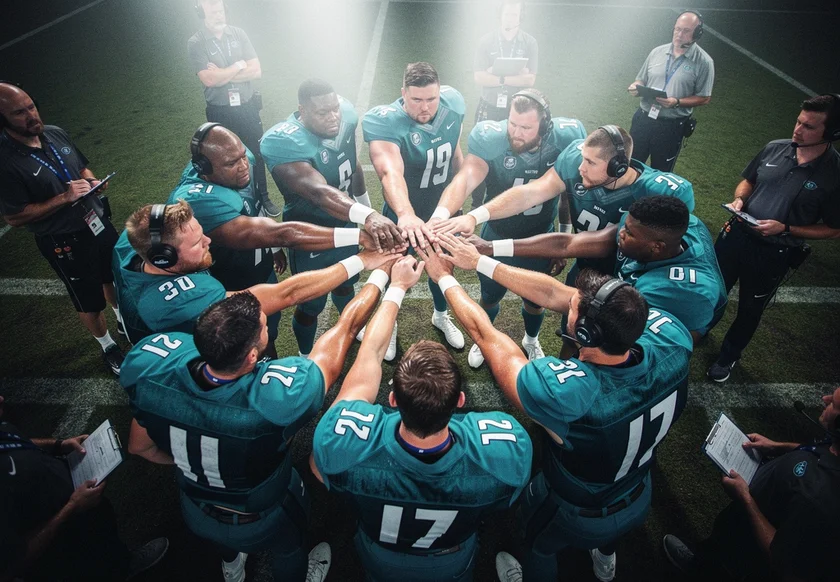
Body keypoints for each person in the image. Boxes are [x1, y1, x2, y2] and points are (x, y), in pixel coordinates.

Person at [417, 242, 693, 582]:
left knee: (538, 547)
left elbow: (487, 336)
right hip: (639, 492)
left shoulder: (569, 394)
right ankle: (605, 557)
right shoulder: (671, 341)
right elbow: (554, 293)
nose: (567, 304)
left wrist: (445, 279)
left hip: (578, 509)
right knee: (607, 533)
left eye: (574, 308)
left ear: (587, 332)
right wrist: (480, 262)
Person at [120, 267, 390, 582]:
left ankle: (232, 567)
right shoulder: (277, 399)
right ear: (251, 357)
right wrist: (381, 278)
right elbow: (343, 331)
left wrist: (188, 458)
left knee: (225, 542)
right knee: (290, 550)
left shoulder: (152, 368)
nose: (265, 324)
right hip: (262, 515)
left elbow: (139, 447)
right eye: (263, 326)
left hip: (195, 508)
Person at [311, 256, 532, 582]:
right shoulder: (505, 449)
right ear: (460, 402)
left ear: (392, 400)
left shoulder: (343, 440)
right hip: (451, 560)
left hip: (380, 555)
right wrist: (445, 278)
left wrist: (396, 287)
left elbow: (370, 352)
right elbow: (488, 337)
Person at [168, 122, 379, 355]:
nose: (243, 165)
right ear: (204, 167)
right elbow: (281, 233)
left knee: (269, 330)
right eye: (231, 163)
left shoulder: (241, 159)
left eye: (241, 156)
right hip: (231, 283)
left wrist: (273, 249)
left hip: (261, 268)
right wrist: (358, 235)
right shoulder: (200, 201)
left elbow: (257, 208)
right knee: (247, 345)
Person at [432, 89, 585, 367]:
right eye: (512, 124)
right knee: (489, 296)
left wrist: (564, 233)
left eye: (526, 127)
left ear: (546, 124)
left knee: (534, 300)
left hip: (540, 238)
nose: (516, 133)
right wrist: (441, 214)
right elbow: (466, 177)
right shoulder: (491, 137)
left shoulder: (566, 136)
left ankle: (530, 340)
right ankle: (484, 340)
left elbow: (567, 193)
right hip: (497, 234)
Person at [113, 199, 388, 346]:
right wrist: (363, 260)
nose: (209, 242)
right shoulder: (178, 301)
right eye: (197, 244)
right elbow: (286, 294)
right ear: (164, 258)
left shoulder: (132, 243)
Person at [262, 79, 405, 358]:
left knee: (346, 282)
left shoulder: (346, 116)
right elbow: (319, 193)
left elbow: (353, 171)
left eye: (334, 109)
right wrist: (370, 216)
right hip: (310, 233)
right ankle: (305, 355)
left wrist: (366, 213)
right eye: (322, 113)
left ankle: (352, 327)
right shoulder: (284, 141)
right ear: (301, 111)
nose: (333, 117)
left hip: (347, 223)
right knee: (310, 304)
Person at [462, 195, 727, 341]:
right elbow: (568, 244)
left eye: (630, 234)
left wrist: (479, 262)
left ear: (657, 247)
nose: (621, 232)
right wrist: (489, 248)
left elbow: (675, 346)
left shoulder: (684, 292)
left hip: (679, 319)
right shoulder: (664, 226)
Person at [708, 94, 840, 382]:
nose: (797, 129)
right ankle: (698, 331)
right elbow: (749, 180)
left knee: (750, 309)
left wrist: (787, 229)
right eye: (798, 121)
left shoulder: (835, 174)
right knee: (712, 291)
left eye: (808, 127)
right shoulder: (774, 148)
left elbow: (834, 228)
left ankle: (728, 356)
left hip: (773, 253)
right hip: (735, 237)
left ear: (831, 134)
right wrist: (740, 200)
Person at [0, 81, 125, 375]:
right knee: (88, 299)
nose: (31, 116)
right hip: (64, 239)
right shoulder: (5, 163)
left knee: (114, 274)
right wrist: (64, 198)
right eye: (19, 113)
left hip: (97, 221)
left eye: (31, 106)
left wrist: (94, 182)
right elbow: (15, 217)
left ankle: (122, 317)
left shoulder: (54, 133)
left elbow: (81, 168)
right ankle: (107, 345)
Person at [663, 388, 840, 582]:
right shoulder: (835, 444)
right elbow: (817, 451)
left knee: (721, 568)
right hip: (746, 520)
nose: (825, 399)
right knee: (714, 549)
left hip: (746, 557)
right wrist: (777, 447)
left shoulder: (819, 498)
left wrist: (746, 500)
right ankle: (700, 563)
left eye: (833, 403)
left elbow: (782, 561)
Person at [0, 395, 168, 581]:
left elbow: (14, 440)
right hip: (62, 551)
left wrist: (58, 445)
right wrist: (71, 507)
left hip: (79, 510)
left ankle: (124, 565)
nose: (1, 398)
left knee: (104, 545)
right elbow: (10, 564)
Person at [363, 61, 467, 351]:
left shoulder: (454, 104)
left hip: (442, 212)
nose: (425, 107)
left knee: (443, 268)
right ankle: (391, 325)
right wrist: (406, 214)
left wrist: (459, 195)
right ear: (403, 94)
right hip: (402, 215)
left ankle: (441, 315)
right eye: (417, 100)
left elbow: (456, 150)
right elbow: (389, 172)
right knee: (394, 268)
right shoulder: (385, 121)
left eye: (431, 99)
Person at [187, 0, 278, 216]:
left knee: (255, 153)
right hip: (220, 111)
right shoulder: (196, 42)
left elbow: (256, 70)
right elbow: (208, 79)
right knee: (224, 158)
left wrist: (223, 74)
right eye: (213, 11)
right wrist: (238, 66)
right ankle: (235, 199)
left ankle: (262, 197)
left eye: (221, 10)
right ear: (201, 13)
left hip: (247, 107)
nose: (220, 15)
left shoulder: (238, 34)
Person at [471, 0, 538, 207]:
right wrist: (511, 79)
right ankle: (476, 202)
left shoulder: (529, 42)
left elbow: (530, 79)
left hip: (515, 111)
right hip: (489, 107)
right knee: (482, 155)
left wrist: (497, 76)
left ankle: (506, 201)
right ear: (499, 15)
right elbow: (479, 77)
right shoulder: (486, 41)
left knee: (516, 154)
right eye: (506, 13)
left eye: (514, 14)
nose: (510, 18)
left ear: (521, 16)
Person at [627, 10, 714, 172]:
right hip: (643, 119)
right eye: (677, 29)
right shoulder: (657, 52)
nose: (679, 34)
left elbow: (704, 97)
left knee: (661, 172)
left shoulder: (704, 62)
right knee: (630, 166)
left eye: (686, 31)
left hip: (671, 126)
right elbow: (641, 79)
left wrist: (677, 102)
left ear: (697, 33)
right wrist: (636, 86)